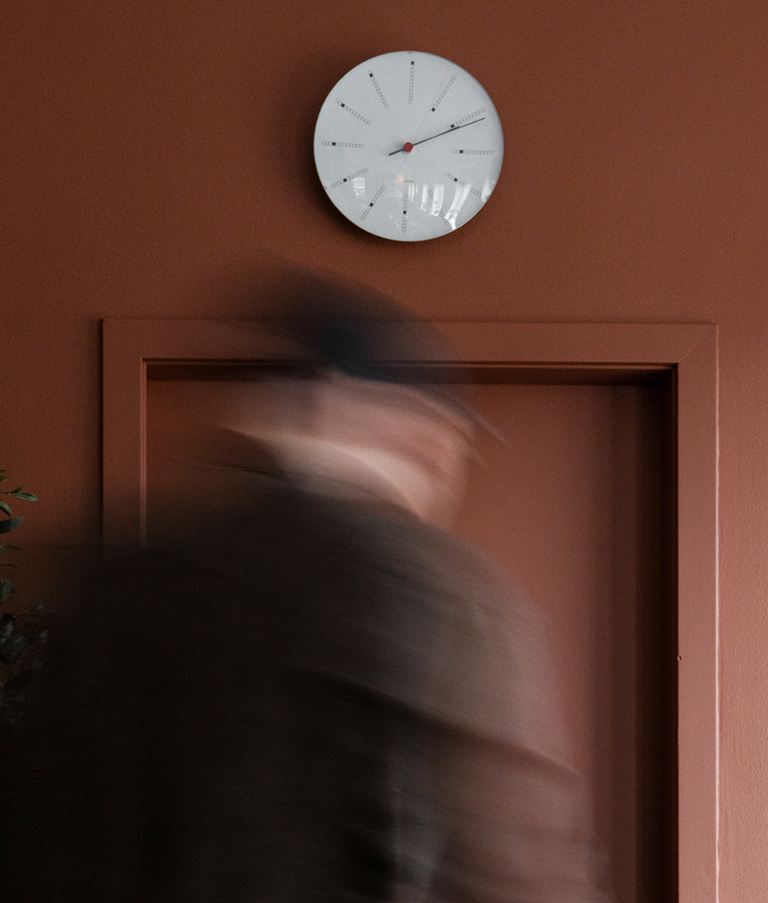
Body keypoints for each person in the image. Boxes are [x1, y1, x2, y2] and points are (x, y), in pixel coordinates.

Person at [0, 299, 609, 902]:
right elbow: (519, 872)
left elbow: (40, 845)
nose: (447, 458)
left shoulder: (119, 582)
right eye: (440, 430)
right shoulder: (440, 589)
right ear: (351, 406)